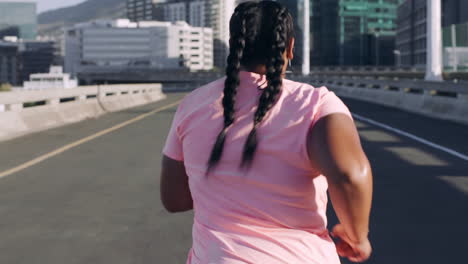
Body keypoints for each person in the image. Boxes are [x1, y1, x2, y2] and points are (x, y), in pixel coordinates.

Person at [160, 1, 373, 263]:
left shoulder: (192, 105)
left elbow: (174, 200)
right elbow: (349, 175)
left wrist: (225, 187)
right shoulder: (315, 104)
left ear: (234, 46)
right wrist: (357, 235)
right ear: (291, 47)